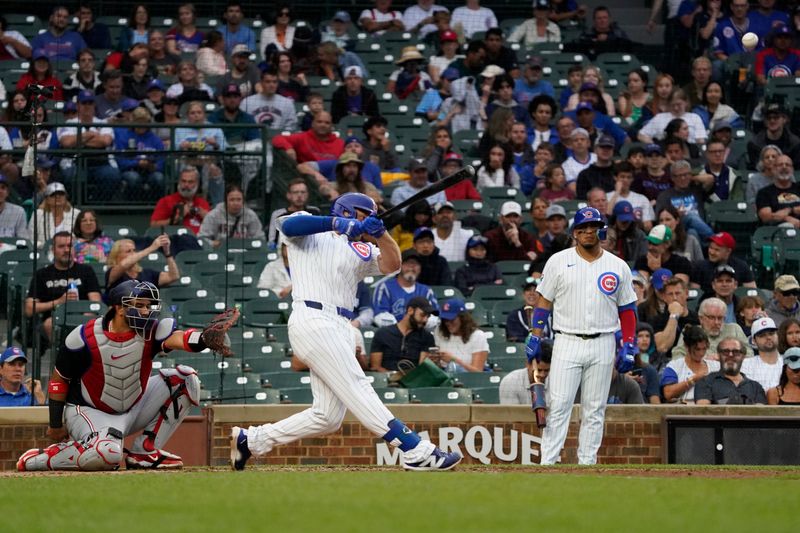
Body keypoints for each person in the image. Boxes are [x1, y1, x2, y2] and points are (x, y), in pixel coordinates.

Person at [231, 194, 460, 471]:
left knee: (327, 416)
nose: (366, 221)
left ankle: (252, 440)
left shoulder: (361, 248)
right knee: (357, 384)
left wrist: (383, 235)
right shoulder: (311, 230)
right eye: (364, 215)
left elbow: (392, 265)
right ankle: (414, 449)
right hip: (313, 316)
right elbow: (287, 226)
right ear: (348, 211)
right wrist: (337, 223)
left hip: (341, 325)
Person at [16, 280, 225, 471]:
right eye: (139, 305)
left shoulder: (151, 330)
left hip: (133, 406)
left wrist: (205, 338)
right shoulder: (82, 337)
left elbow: (178, 338)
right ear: (118, 307)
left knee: (185, 379)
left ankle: (144, 452)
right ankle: (44, 458)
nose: (145, 311)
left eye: (148, 305)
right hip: (89, 410)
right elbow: (59, 381)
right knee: (108, 456)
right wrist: (55, 425)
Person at [525, 207, 638, 465]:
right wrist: (535, 335)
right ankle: (548, 462)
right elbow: (544, 302)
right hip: (567, 340)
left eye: (593, 227)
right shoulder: (558, 261)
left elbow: (627, 309)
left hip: (603, 342)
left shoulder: (617, 265)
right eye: (582, 228)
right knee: (559, 405)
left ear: (602, 230)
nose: (588, 231)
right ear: (574, 232)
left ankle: (587, 464)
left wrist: (629, 344)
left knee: (595, 409)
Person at [25, 231, 102, 342]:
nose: (66, 250)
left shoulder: (86, 271)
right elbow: (29, 309)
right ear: (53, 250)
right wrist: (59, 301)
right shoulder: (42, 274)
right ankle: (59, 357)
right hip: (53, 320)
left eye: (69, 246)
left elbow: (95, 302)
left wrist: (85, 315)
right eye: (61, 246)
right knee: (49, 324)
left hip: (82, 317)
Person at [57, 90, 120, 201]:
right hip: (76, 162)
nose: (87, 106)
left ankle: (99, 204)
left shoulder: (102, 123)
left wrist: (78, 139)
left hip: (100, 163)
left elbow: (105, 141)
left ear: (94, 105)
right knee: (71, 174)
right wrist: (91, 134)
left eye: (90, 103)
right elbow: (66, 142)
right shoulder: (69, 123)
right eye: (84, 103)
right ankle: (78, 205)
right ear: (78, 105)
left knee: (112, 174)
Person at [373, 249, 438, 327]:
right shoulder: (385, 287)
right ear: (399, 266)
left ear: (420, 268)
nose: (411, 267)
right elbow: (379, 316)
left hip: (419, 333)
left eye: (415, 264)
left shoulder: (426, 291)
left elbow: (435, 318)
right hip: (392, 334)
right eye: (407, 263)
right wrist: (402, 328)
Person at [672, 297, 753, 360]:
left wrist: (725, 358)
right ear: (701, 318)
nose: (716, 322)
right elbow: (677, 356)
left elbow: (749, 354)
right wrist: (702, 360)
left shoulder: (734, 329)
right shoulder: (691, 331)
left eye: (720, 318)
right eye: (711, 317)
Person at [694, 337, 767, 404]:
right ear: (719, 355)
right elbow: (704, 413)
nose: (731, 355)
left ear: (743, 356)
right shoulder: (705, 382)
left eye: (736, 352)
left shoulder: (756, 387)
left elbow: (760, 415)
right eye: (725, 351)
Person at [424, 298, 489, 372]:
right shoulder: (439, 332)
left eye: (451, 319)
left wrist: (453, 360)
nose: (447, 323)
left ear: (462, 318)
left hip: (469, 379)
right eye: (445, 319)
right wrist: (435, 361)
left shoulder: (478, 336)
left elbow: (477, 372)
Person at [661, 324, 720, 403]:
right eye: (697, 349)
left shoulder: (716, 366)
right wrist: (694, 379)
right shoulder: (674, 366)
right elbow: (668, 393)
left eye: (704, 349)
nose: (701, 353)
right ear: (686, 346)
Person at [198, 184, 265, 248]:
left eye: (239, 199)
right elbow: (201, 239)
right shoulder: (213, 216)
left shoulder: (251, 216)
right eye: (232, 200)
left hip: (245, 254)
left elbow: (260, 239)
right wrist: (213, 244)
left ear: (243, 201)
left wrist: (250, 245)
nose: (235, 203)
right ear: (225, 201)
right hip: (220, 254)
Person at [105, 236, 179, 294]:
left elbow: (173, 276)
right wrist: (152, 248)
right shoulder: (112, 273)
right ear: (117, 256)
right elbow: (124, 265)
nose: (133, 253)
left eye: (134, 250)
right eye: (128, 251)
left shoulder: (147, 273)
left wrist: (167, 253)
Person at [150, 166, 211, 235]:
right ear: (179, 181)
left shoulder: (203, 203)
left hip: (200, 241)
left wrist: (207, 217)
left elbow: (214, 228)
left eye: (190, 182)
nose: (186, 185)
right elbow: (154, 226)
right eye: (183, 181)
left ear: (197, 183)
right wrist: (177, 218)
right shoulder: (166, 201)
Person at [267, 179, 321, 249]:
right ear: (288, 195)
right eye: (295, 192)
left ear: (307, 194)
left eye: (303, 192)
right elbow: (272, 240)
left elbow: (320, 236)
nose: (299, 195)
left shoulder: (315, 211)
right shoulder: (278, 214)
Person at [272, 112, 344, 163]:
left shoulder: (340, 143)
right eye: (319, 122)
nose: (323, 125)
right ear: (313, 124)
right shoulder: (303, 138)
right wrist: (288, 148)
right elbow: (277, 138)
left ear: (332, 126)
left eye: (327, 123)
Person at [28, 183, 81, 249]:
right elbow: (31, 240)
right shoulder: (38, 214)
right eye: (53, 195)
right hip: (44, 253)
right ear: (47, 199)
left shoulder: (76, 214)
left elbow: (81, 238)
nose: (57, 197)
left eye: (61, 194)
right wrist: (47, 246)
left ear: (65, 197)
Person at [605, 162, 655, 231]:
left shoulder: (642, 199)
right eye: (622, 177)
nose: (625, 180)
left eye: (629, 177)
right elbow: (606, 217)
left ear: (632, 179)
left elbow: (648, 226)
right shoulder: (606, 197)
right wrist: (617, 192)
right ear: (615, 177)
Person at [747, 103, 800, 168]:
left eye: (776, 117)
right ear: (765, 121)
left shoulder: (795, 144)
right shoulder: (754, 144)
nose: (772, 121)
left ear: (784, 119)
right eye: (769, 118)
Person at [756, 154, 800, 228]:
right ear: (773, 169)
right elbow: (766, 217)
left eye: (787, 165)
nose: (784, 167)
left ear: (792, 169)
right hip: (779, 231)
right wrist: (787, 218)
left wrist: (789, 210)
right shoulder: (764, 193)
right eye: (780, 165)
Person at [743, 316, 783, 391]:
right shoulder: (746, 364)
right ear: (753, 341)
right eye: (762, 335)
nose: (768, 337)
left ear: (777, 335)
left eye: (771, 333)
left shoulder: (787, 361)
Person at [0, 174, 30, 240]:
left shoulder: (18, 212)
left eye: (3, 188)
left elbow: (23, 240)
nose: (0, 191)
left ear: (7, 193)